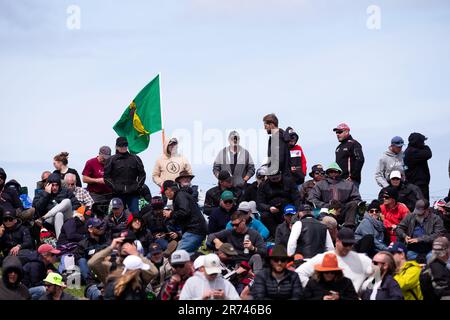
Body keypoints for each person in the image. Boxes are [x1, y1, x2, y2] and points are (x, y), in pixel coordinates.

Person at [296, 228, 373, 294]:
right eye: (345, 244)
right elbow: (299, 274)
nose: (348, 247)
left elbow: (378, 274)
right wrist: (317, 291)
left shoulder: (361, 259)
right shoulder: (324, 258)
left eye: (351, 244)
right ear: (337, 241)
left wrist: (365, 288)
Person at [87, 233, 158, 287]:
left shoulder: (140, 266)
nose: (125, 246)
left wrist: (136, 254)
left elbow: (154, 272)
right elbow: (92, 263)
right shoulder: (111, 267)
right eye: (122, 243)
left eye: (129, 243)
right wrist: (111, 247)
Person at [308, 162, 362, 229]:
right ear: (327, 173)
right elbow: (312, 199)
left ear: (339, 172)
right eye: (331, 171)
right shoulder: (320, 184)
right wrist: (327, 205)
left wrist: (342, 206)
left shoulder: (348, 184)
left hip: (343, 210)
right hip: (327, 210)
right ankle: (330, 227)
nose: (333, 173)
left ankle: (349, 227)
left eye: (335, 171)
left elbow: (357, 199)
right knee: (330, 207)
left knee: (353, 204)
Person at [104, 137, 146, 215]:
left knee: (136, 215)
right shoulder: (111, 160)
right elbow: (106, 177)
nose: (123, 147)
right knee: (116, 215)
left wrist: (137, 186)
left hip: (133, 194)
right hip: (117, 194)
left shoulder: (135, 158)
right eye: (121, 145)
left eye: (125, 145)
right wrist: (114, 187)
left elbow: (142, 174)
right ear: (116, 146)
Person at [162, 180, 207, 254]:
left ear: (169, 189)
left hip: (194, 230)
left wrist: (171, 214)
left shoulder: (180, 195)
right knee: (190, 255)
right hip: (195, 230)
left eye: (164, 192)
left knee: (179, 255)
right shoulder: (180, 195)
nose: (164, 194)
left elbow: (184, 212)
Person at [32, 172, 81, 238]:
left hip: (66, 216)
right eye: (52, 185)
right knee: (58, 214)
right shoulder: (41, 194)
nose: (55, 187)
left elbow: (77, 204)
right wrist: (46, 194)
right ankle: (60, 240)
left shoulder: (66, 191)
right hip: (50, 219)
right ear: (48, 185)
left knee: (67, 201)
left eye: (56, 185)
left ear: (59, 185)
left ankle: (43, 218)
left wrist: (62, 208)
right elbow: (37, 209)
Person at [257, 170, 300, 238]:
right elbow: (259, 203)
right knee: (264, 216)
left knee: (292, 213)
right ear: (268, 176)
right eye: (273, 179)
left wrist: (296, 210)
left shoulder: (289, 182)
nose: (276, 180)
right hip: (272, 209)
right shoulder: (263, 185)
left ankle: (292, 234)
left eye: (277, 178)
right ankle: (276, 236)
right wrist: (269, 208)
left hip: (288, 208)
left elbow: (297, 198)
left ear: (280, 174)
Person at [74, 217, 109, 283]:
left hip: (104, 267)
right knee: (82, 260)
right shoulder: (82, 244)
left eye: (102, 226)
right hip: (89, 269)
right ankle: (90, 283)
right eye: (98, 227)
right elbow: (79, 262)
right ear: (90, 229)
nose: (101, 228)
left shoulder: (106, 239)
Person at [404, 132, 432, 201]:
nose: (423, 143)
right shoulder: (413, 152)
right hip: (418, 185)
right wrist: (425, 146)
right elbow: (428, 154)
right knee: (422, 206)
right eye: (422, 141)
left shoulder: (409, 151)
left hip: (416, 184)